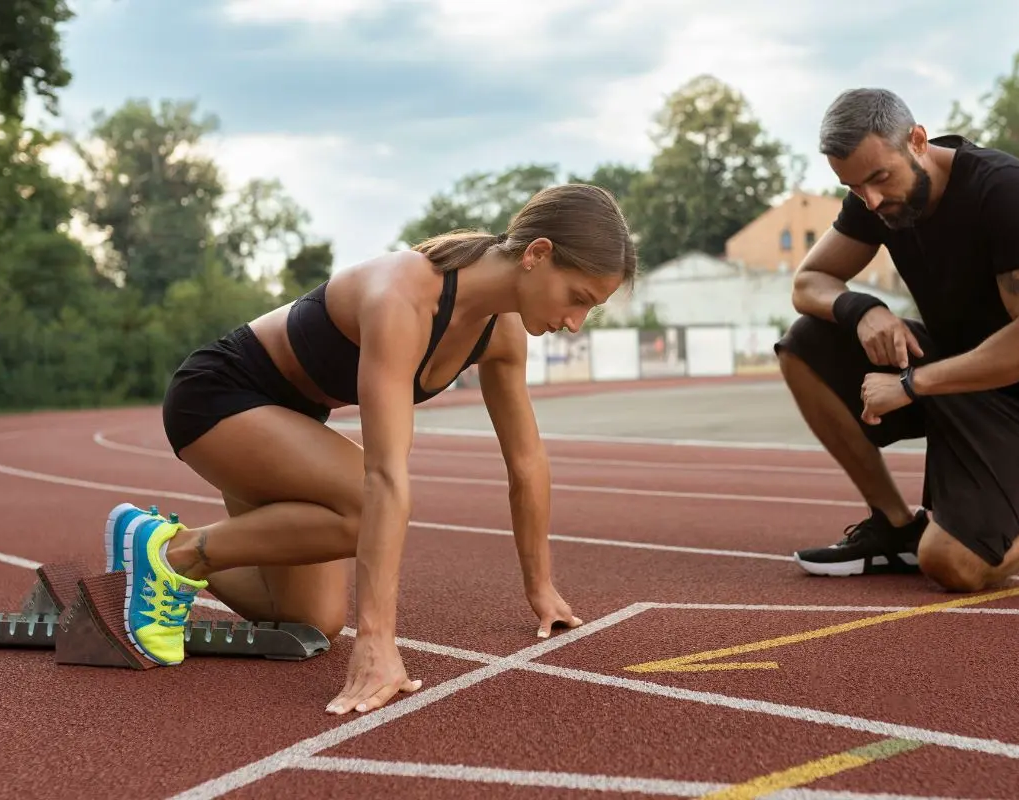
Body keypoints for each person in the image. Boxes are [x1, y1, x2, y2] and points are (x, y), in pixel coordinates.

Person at [103, 183, 638, 715]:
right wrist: (377, 641)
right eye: (578, 298)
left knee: (310, 620)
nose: (575, 322)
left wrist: (540, 587)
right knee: (367, 504)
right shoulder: (404, 294)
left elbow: (526, 464)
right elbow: (383, 475)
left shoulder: (500, 334)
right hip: (220, 397)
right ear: (537, 254)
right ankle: (167, 554)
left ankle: (160, 550)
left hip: (290, 421)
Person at [775, 87, 1019, 592]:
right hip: (960, 374)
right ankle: (894, 526)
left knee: (954, 565)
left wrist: (912, 385)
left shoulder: (1007, 191)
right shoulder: (875, 202)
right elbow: (809, 283)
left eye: (878, 178)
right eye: (852, 188)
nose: (870, 200)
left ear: (917, 140)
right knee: (804, 342)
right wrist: (863, 310)